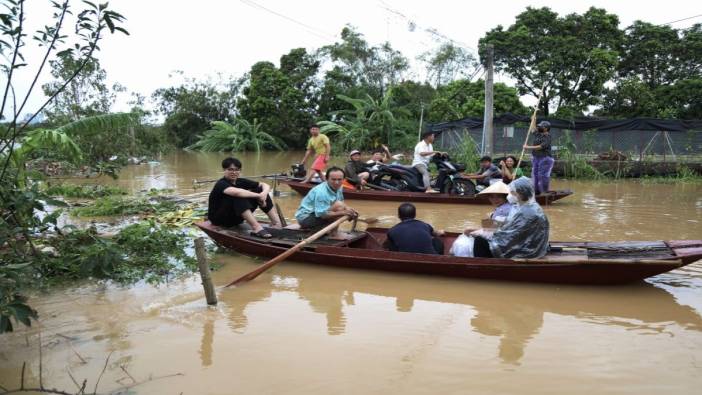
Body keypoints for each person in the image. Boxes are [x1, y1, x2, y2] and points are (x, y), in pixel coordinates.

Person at [468, 177, 549, 259]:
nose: (510, 195)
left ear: (521, 193)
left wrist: (481, 233)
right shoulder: (526, 206)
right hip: (528, 244)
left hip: (526, 250)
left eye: (512, 193)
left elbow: (510, 233)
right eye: (491, 197)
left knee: (479, 240)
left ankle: (483, 265)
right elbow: (508, 228)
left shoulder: (524, 211)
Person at [207, 157, 282, 238]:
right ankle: (256, 228)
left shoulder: (240, 181)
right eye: (230, 169)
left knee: (260, 190)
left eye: (237, 169)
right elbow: (236, 192)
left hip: (236, 217)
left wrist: (263, 194)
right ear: (224, 170)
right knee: (238, 195)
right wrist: (258, 196)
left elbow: (265, 185)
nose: (234, 172)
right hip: (219, 219)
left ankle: (276, 223)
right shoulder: (221, 183)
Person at [294, 167, 358, 240]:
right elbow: (323, 215)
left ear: (343, 179)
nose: (337, 182)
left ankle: (331, 231)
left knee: (342, 207)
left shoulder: (339, 187)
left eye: (339, 179)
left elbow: (341, 202)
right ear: (327, 179)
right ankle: (333, 234)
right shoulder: (321, 192)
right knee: (339, 207)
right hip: (305, 219)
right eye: (333, 179)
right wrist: (343, 212)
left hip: (316, 214)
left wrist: (349, 210)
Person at [523, 120, 554, 195]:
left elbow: (540, 147)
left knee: (542, 175)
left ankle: (544, 192)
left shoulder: (548, 136)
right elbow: (533, 129)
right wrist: (534, 119)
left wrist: (528, 147)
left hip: (545, 158)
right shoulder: (538, 134)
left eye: (541, 126)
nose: (539, 127)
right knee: (534, 174)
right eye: (539, 126)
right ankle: (536, 191)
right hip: (536, 157)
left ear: (546, 128)